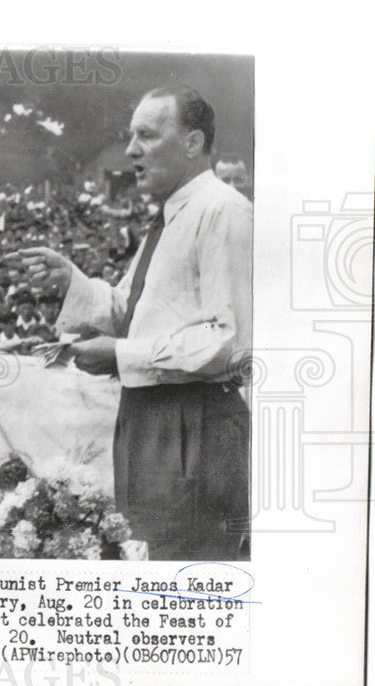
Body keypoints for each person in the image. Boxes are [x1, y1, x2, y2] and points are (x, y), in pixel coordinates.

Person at [18, 84, 251, 560]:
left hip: (195, 422)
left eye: (146, 135)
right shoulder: (170, 217)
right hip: (151, 417)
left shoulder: (223, 211)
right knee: (145, 556)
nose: (130, 150)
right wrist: (73, 282)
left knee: (183, 569)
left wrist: (121, 355)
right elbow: (131, 312)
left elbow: (231, 341)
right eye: (131, 135)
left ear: (191, 143)